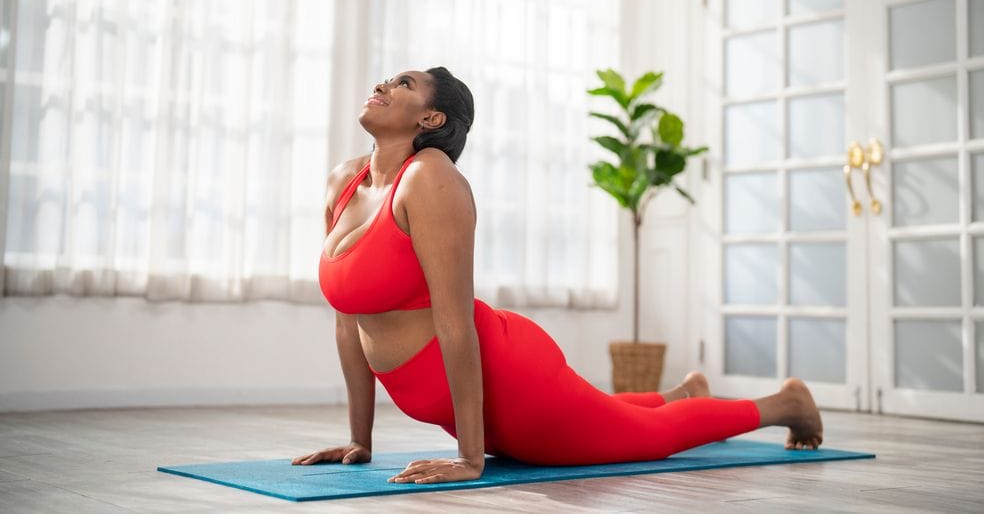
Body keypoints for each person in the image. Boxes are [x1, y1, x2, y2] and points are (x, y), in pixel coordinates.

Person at [293, 67, 823, 485]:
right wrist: (359, 441)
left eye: (403, 82)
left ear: (430, 120)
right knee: (600, 417)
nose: (382, 84)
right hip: (460, 398)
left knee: (644, 437)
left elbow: (455, 321)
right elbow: (349, 323)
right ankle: (685, 391)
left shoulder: (431, 180)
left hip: (509, 381)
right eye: (386, 78)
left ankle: (785, 405)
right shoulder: (345, 182)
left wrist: (470, 459)